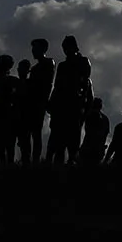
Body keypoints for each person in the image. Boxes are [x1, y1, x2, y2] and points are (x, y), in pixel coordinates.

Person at [47, 36, 92, 165]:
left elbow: (86, 83)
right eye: (64, 48)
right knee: (58, 141)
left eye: (67, 47)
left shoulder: (83, 61)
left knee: (73, 139)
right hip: (61, 105)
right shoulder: (62, 65)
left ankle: (72, 161)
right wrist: (51, 102)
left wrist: (84, 107)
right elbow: (57, 86)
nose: (65, 51)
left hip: (75, 105)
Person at [24, 40, 55, 165]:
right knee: (29, 132)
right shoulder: (35, 68)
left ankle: (35, 161)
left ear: (43, 49)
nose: (33, 51)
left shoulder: (48, 63)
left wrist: (44, 100)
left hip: (39, 102)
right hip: (32, 102)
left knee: (36, 133)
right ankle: (28, 160)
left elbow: (48, 84)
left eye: (35, 48)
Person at [80, 99, 110, 167]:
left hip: (89, 147)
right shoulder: (105, 118)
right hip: (98, 148)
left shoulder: (89, 114)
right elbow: (105, 133)